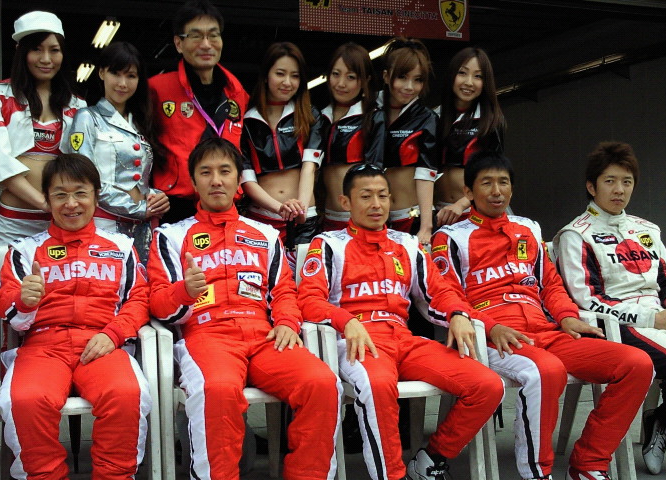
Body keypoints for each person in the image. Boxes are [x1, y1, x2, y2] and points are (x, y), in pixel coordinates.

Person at [431, 152, 653, 480]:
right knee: (546, 370)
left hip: (546, 331)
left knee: (636, 364)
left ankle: (590, 463)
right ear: (468, 192)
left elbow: (550, 282)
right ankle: (537, 472)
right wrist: (490, 327)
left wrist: (566, 316)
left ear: (512, 188)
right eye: (487, 183)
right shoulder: (450, 237)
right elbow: (444, 294)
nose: (497, 191)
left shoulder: (528, 228)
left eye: (503, 183)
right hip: (493, 336)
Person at [148, 137, 342, 480]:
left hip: (265, 337)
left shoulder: (265, 234)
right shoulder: (170, 236)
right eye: (206, 172)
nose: (216, 180)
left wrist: (286, 322)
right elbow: (158, 305)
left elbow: (284, 290)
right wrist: (183, 292)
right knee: (218, 390)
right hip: (206, 337)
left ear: (239, 181)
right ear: (193, 182)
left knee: (322, 383)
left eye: (225, 171)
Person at [297, 163, 503, 480]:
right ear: (345, 202)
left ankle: (431, 459)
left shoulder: (406, 244)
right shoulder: (328, 244)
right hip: (357, 342)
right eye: (366, 196)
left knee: (487, 385)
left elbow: (439, 292)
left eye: (383, 196)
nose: (376, 204)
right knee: (378, 385)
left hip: (404, 340)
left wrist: (457, 313)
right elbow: (309, 300)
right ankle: (392, 475)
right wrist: (345, 321)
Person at [0, 153, 152, 480]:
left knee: (127, 394)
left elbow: (139, 299)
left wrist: (113, 334)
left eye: (81, 193)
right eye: (60, 195)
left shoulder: (121, 247)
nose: (71, 204)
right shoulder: (23, 251)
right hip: (42, 346)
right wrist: (25, 301)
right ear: (47, 199)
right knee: (24, 399)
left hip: (102, 344)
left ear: (96, 195)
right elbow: (7, 310)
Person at [554, 141, 666, 479]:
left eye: (626, 181)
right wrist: (655, 319)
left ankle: (663, 420)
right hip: (619, 326)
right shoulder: (576, 235)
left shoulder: (647, 229)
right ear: (591, 186)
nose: (619, 190)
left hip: (664, 319)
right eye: (609, 181)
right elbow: (586, 300)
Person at [0, 11, 86, 250]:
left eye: (54, 50)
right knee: (7, 275)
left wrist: (59, 208)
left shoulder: (77, 105)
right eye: (37, 49)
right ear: (21, 51)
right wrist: (44, 203)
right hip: (13, 223)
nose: (46, 59)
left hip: (60, 221)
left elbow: (82, 164)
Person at [65, 41, 169, 260]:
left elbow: (141, 178)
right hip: (103, 221)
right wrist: (136, 208)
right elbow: (83, 179)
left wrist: (156, 197)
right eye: (116, 73)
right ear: (101, 72)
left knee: (141, 279)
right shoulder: (87, 117)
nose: (123, 83)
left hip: (144, 225)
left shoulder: (141, 123)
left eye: (131, 76)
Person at [150, 0, 249, 223]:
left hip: (225, 204)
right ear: (178, 43)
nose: (206, 44)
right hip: (174, 206)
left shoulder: (237, 93)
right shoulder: (157, 89)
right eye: (196, 36)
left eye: (213, 35)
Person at [240, 41, 322, 268]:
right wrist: (280, 209)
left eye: (295, 76)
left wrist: (300, 209)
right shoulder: (245, 120)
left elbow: (309, 167)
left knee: (305, 283)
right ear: (266, 75)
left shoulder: (309, 115)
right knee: (262, 282)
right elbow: (246, 180)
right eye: (280, 73)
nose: (287, 82)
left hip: (304, 219)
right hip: (261, 219)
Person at [434, 47, 505, 227]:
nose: (469, 82)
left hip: (475, 212)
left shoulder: (491, 121)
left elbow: (494, 173)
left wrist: (461, 204)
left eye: (478, 76)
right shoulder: (434, 117)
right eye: (462, 73)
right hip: (440, 214)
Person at [319, 42, 385, 232]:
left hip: (360, 220)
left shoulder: (373, 117)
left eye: (351, 77)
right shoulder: (319, 117)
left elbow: (375, 170)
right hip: (325, 218)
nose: (341, 83)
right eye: (336, 74)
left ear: (365, 80)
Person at [378, 38, 438, 244]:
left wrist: (426, 226)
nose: (409, 87)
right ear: (386, 76)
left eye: (418, 79)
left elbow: (426, 172)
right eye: (402, 77)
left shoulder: (427, 118)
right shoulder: (368, 111)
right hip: (375, 218)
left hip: (412, 218)